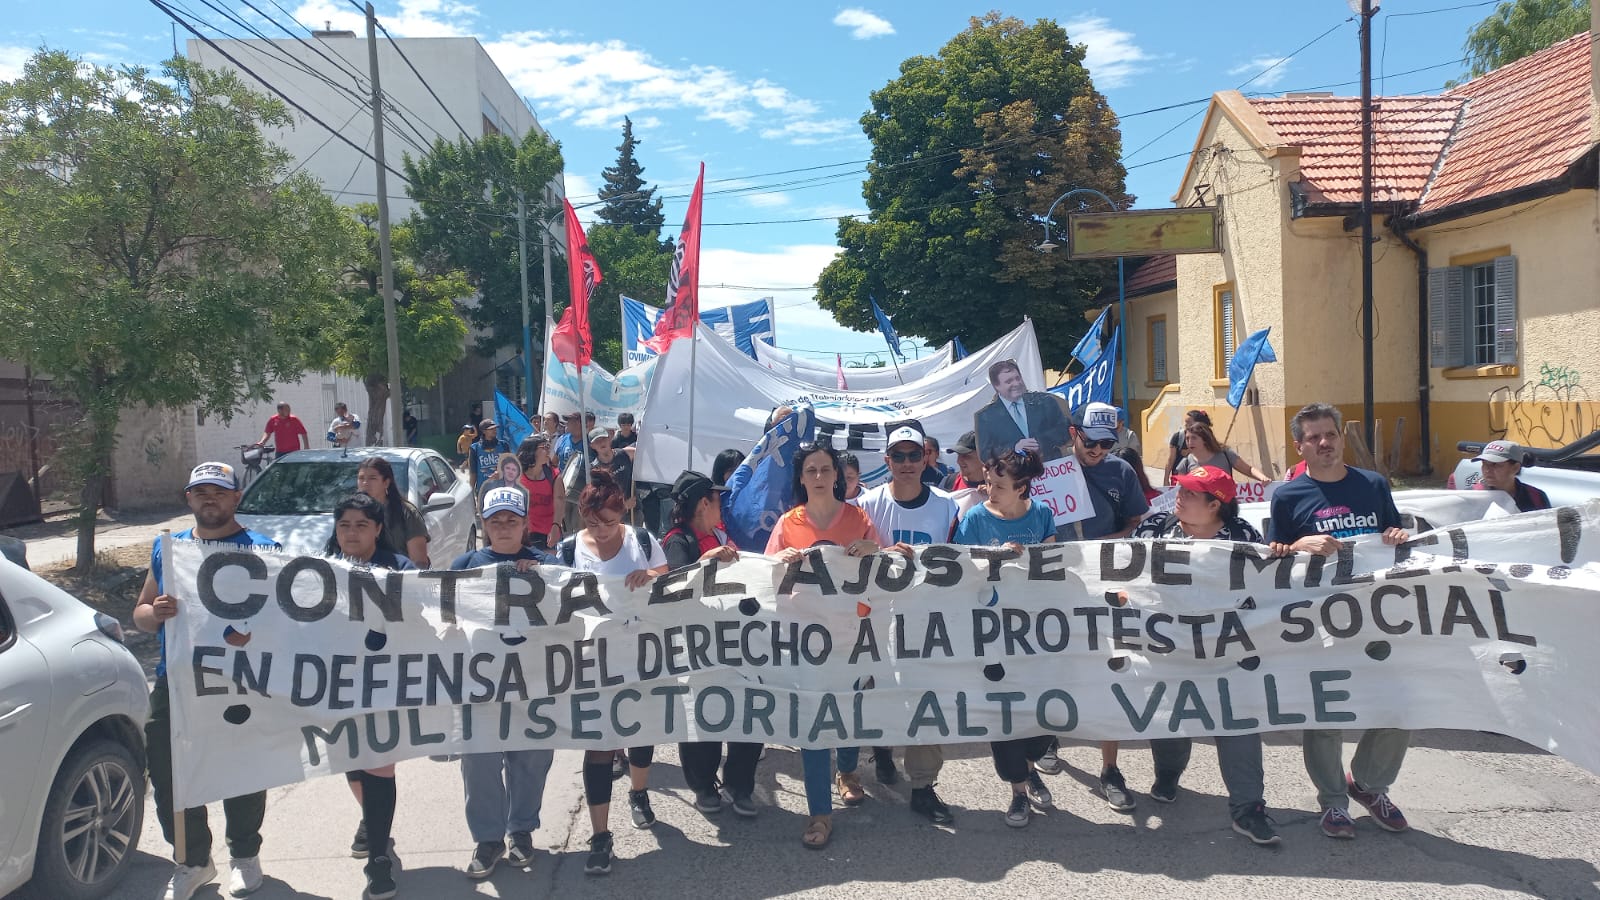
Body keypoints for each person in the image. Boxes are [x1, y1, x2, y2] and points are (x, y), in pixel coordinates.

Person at [134, 462, 280, 900]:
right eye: (201, 492)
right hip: (176, 681)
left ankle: (245, 854)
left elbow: (282, 622)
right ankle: (192, 859)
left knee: (241, 768)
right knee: (169, 773)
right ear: (188, 499)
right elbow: (140, 614)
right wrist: (153, 613)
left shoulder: (264, 549)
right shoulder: (169, 548)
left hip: (239, 679)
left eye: (218, 491)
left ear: (236, 498)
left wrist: (253, 632)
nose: (209, 499)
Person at [1268, 402, 1411, 840]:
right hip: (1320, 622)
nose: (1324, 442)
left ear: (1340, 438)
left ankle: (1369, 784)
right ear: (1300, 446)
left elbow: (1396, 538)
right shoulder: (1287, 496)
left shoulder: (1373, 485)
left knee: (1397, 707)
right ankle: (1333, 802)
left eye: (1329, 434)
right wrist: (1298, 545)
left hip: (1377, 616)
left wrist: (1396, 535)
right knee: (1325, 714)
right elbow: (1269, 557)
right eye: (1313, 437)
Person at [1132, 465, 1279, 845]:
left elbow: (1264, 590)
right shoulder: (1155, 529)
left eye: (1191, 493)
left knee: (1238, 723)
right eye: (1180, 488)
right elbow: (1121, 576)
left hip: (1226, 651)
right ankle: (1168, 773)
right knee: (1169, 723)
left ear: (1216, 505)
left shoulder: (1244, 538)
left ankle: (1248, 809)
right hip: (1169, 649)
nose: (1178, 496)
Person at [766, 443, 885, 850]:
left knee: (850, 713)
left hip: (851, 636)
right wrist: (782, 560)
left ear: (838, 476)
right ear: (801, 478)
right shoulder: (786, 524)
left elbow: (887, 570)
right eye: (811, 470)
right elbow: (765, 578)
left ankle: (848, 771)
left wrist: (875, 551)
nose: (819, 476)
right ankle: (819, 813)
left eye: (826, 469)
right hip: (806, 641)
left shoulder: (859, 518)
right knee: (813, 726)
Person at [1032, 403, 1150, 809]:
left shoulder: (1121, 472)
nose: (1098, 450)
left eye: (1106, 443)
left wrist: (1110, 544)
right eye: (1090, 440)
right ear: (1072, 432)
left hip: (1106, 585)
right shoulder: (1047, 468)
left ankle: (1110, 768)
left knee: (1110, 670)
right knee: (1056, 664)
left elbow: (1137, 520)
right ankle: (1049, 737)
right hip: (1055, 584)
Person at [559, 469, 667, 876]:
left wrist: (649, 576)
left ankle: (639, 793)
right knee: (599, 745)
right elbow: (554, 595)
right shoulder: (570, 549)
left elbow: (667, 577)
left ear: (621, 514)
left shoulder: (641, 540)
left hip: (639, 654)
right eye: (592, 522)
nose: (601, 531)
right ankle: (600, 834)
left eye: (609, 522)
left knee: (640, 731)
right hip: (592, 662)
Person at [450, 487, 557, 879]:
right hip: (479, 688)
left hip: (533, 684)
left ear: (526, 524)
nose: (504, 527)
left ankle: (522, 830)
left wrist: (546, 578)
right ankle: (488, 838)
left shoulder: (547, 564)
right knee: (478, 765)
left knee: (530, 760)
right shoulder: (465, 564)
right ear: (484, 525)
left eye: (512, 520)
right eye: (496, 521)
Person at [856, 424, 960, 823]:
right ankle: (880, 749)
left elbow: (961, 558)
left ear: (926, 459)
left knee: (927, 700)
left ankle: (923, 786)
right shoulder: (868, 504)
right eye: (897, 456)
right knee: (873, 694)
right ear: (886, 461)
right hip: (876, 618)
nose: (906, 464)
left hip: (926, 620)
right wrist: (881, 552)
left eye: (913, 455)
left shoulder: (948, 506)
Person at [952, 450, 1057, 828]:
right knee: (1005, 712)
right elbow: (960, 568)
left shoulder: (1043, 515)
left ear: (1022, 488)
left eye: (998, 485)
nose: (988, 490)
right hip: (992, 634)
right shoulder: (976, 518)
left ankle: (1029, 769)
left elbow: (1055, 567)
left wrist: (1028, 558)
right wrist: (996, 560)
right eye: (987, 482)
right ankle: (1017, 793)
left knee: (1041, 714)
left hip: (1035, 634)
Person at [321, 492, 415, 899]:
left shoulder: (401, 570)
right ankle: (371, 819)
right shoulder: (318, 570)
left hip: (386, 686)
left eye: (362, 525)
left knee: (378, 765)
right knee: (351, 763)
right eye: (344, 525)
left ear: (378, 528)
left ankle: (379, 857)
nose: (352, 532)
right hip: (339, 687)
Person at [661, 471, 764, 817]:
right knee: (704, 716)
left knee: (748, 712)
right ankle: (704, 784)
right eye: (717, 499)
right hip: (699, 648)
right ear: (704, 503)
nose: (722, 505)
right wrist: (708, 561)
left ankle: (740, 783)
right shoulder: (679, 540)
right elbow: (674, 585)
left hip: (737, 644)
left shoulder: (721, 534)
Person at [973, 358, 1072, 464]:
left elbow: (1065, 430)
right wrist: (1014, 448)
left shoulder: (1045, 402)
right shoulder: (985, 416)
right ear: (997, 386)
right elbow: (985, 454)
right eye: (1009, 381)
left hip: (1052, 470)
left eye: (1017, 378)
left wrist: (1040, 441)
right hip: (1015, 475)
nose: (1016, 383)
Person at [357, 456, 431, 567]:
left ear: (386, 483)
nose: (365, 483)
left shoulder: (406, 513)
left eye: (372, 478)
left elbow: (419, 562)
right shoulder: (351, 513)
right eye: (361, 478)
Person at [1174, 420, 1271, 482]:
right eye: (1187, 439)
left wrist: (1262, 478)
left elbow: (1249, 470)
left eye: (1194, 438)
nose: (1190, 442)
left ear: (1204, 439)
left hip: (1225, 509)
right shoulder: (1185, 463)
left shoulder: (1226, 454)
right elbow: (1180, 491)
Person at [1472, 440, 1551, 511]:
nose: (1487, 470)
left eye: (1495, 464)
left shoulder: (1537, 497)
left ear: (1516, 468)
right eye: (1484, 464)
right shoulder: (1472, 496)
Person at [517, 435, 564, 551]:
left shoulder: (554, 475)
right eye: (544, 447)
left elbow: (560, 501)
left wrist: (556, 527)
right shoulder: (517, 476)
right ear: (531, 451)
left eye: (549, 446)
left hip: (549, 531)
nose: (548, 450)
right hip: (525, 533)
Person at [1165, 409, 1212, 486]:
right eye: (1185, 423)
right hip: (1179, 478)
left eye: (1189, 423)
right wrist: (1166, 479)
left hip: (1200, 479)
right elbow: (1170, 460)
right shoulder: (1178, 437)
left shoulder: (1207, 438)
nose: (1186, 425)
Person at [469, 419, 512, 493]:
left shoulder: (504, 445)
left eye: (495, 428)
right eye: (491, 429)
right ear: (484, 431)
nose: (494, 430)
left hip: (502, 489)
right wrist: (470, 491)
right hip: (483, 489)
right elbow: (473, 472)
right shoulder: (475, 448)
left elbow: (510, 467)